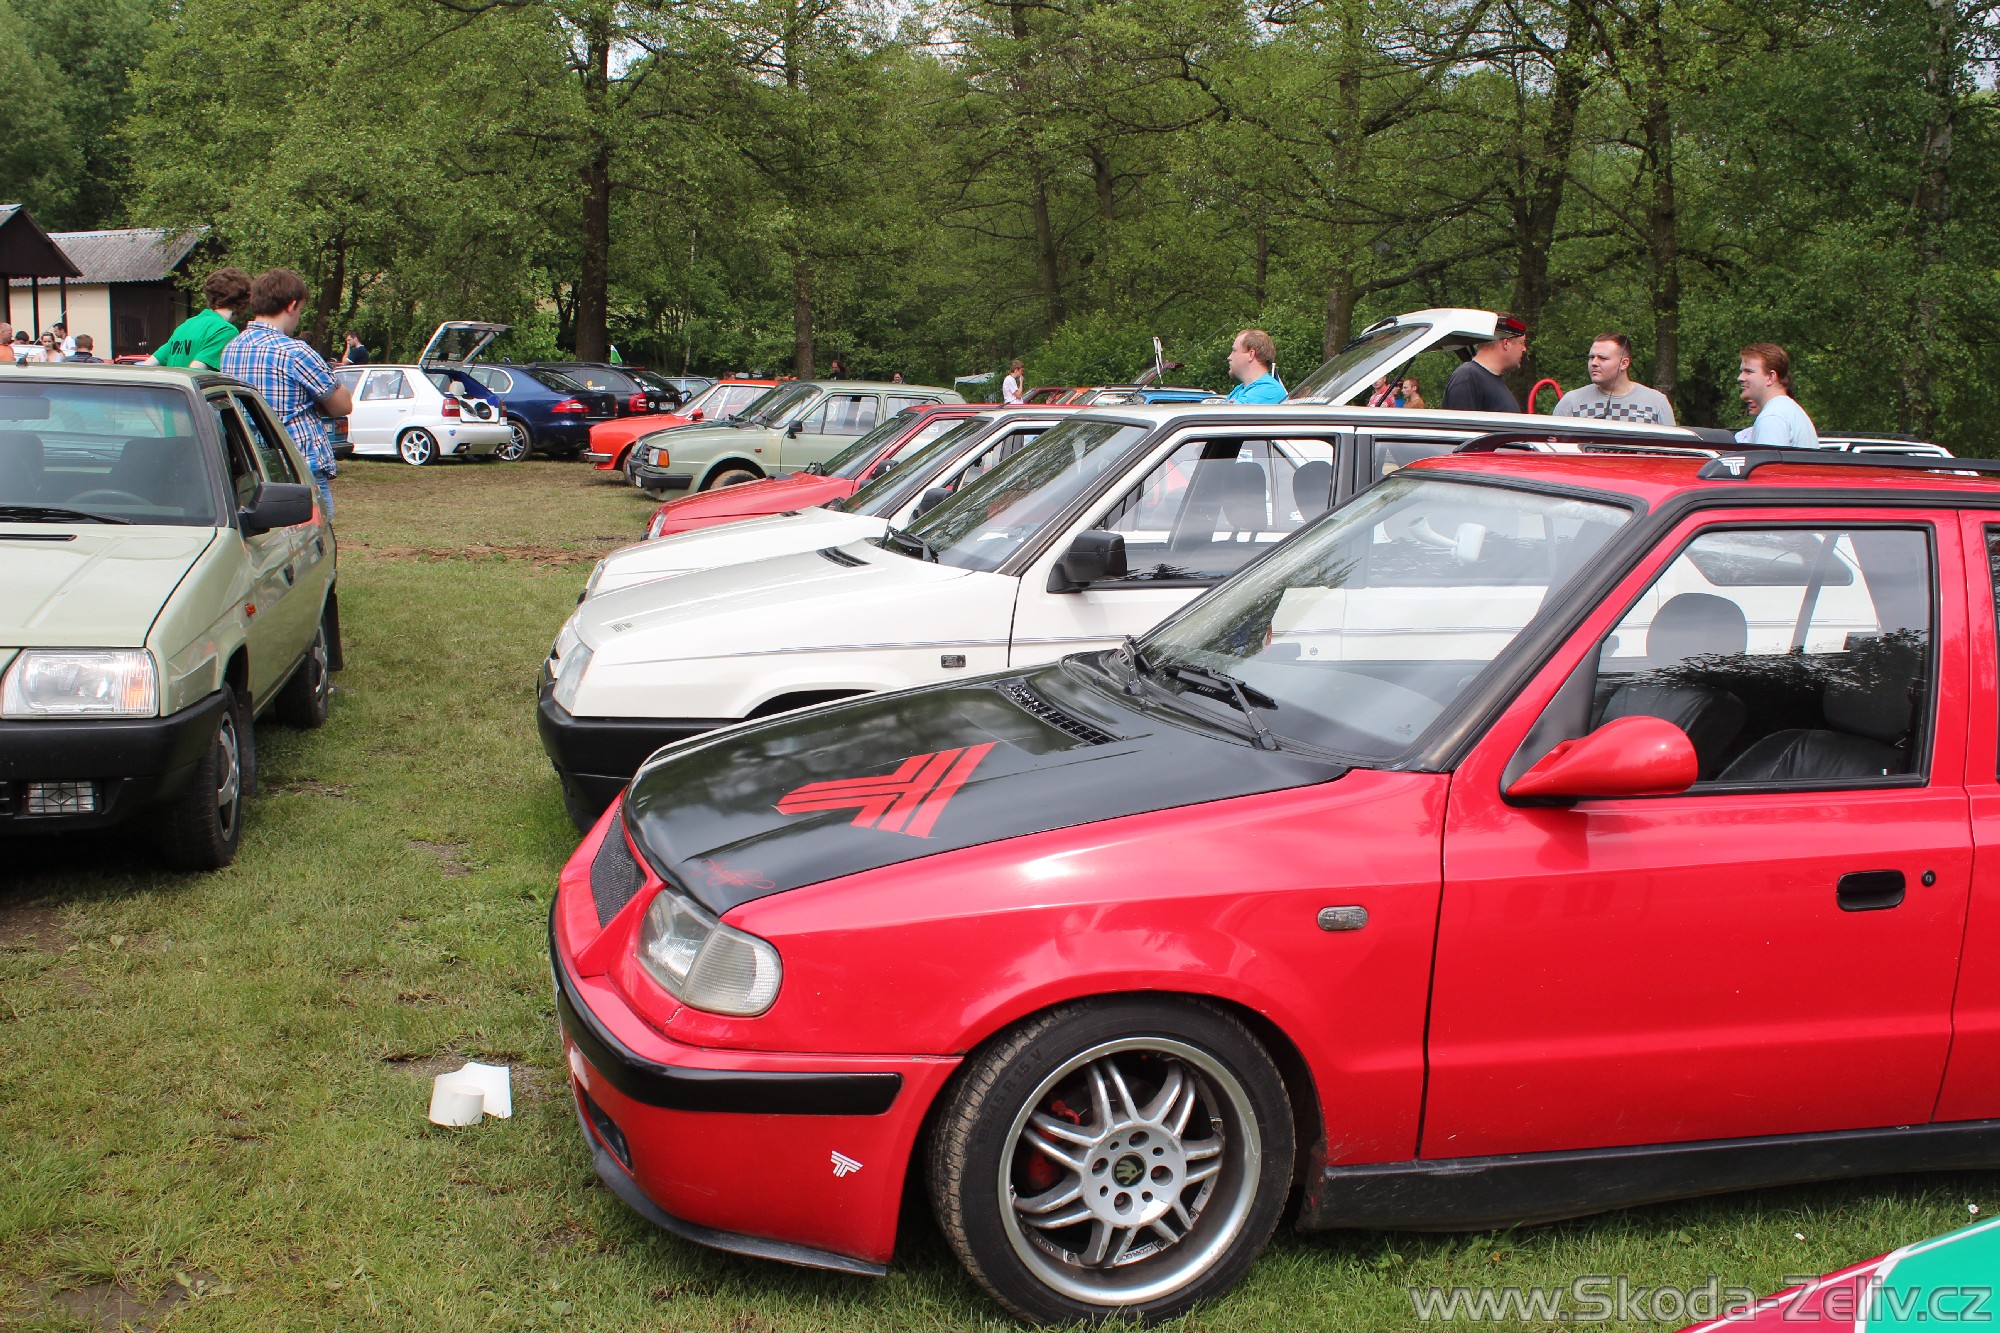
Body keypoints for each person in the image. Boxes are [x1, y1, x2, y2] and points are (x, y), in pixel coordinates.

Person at [219, 269, 352, 522]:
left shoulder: (232, 349)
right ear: (292, 305)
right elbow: (342, 405)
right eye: (300, 310)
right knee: (313, 535)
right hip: (298, 465)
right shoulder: (294, 351)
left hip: (253, 464)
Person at [1552, 333, 1676, 424]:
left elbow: (1672, 449)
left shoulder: (1657, 402)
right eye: (1591, 357)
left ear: (1624, 363)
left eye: (1602, 358)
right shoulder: (1572, 401)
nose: (1594, 363)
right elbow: (1552, 445)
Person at [151, 267, 250, 371]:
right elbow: (194, 372)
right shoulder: (226, 331)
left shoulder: (185, 325)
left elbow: (147, 365)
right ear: (242, 302)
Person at [1735, 343, 1817, 447]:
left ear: (1771, 377)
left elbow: (1769, 458)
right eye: (1742, 371)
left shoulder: (1772, 417)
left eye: (1748, 371)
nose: (1740, 378)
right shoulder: (1788, 410)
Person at [1442, 312, 1527, 412]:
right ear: (1506, 343)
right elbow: (1460, 422)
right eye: (1521, 343)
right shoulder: (1467, 378)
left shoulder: (1485, 380)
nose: (1524, 349)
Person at [1225, 329, 1285, 403]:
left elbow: (1225, 411)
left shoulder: (1269, 389)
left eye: (1234, 350)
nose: (1229, 357)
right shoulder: (1239, 389)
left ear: (1251, 354)